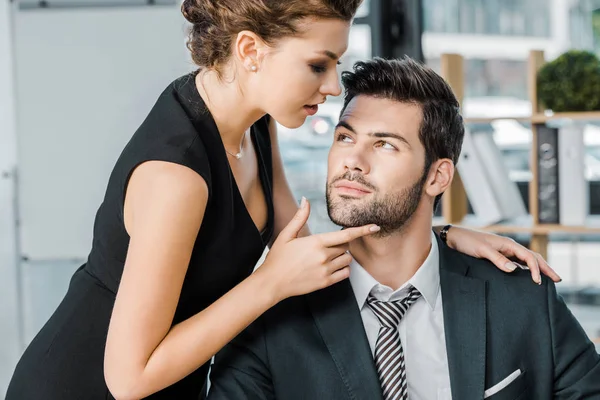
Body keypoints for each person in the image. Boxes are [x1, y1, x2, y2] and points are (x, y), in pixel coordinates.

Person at [7, 2, 559, 399]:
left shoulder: (254, 125)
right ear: (250, 51)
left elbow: (299, 245)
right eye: (318, 64)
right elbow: (128, 378)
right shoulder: (175, 176)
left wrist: (436, 239)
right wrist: (268, 284)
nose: (334, 85)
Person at [206, 57, 600, 400]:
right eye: (345, 137)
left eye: (385, 145)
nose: (353, 161)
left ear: (438, 176)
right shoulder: (271, 319)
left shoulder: (522, 298)